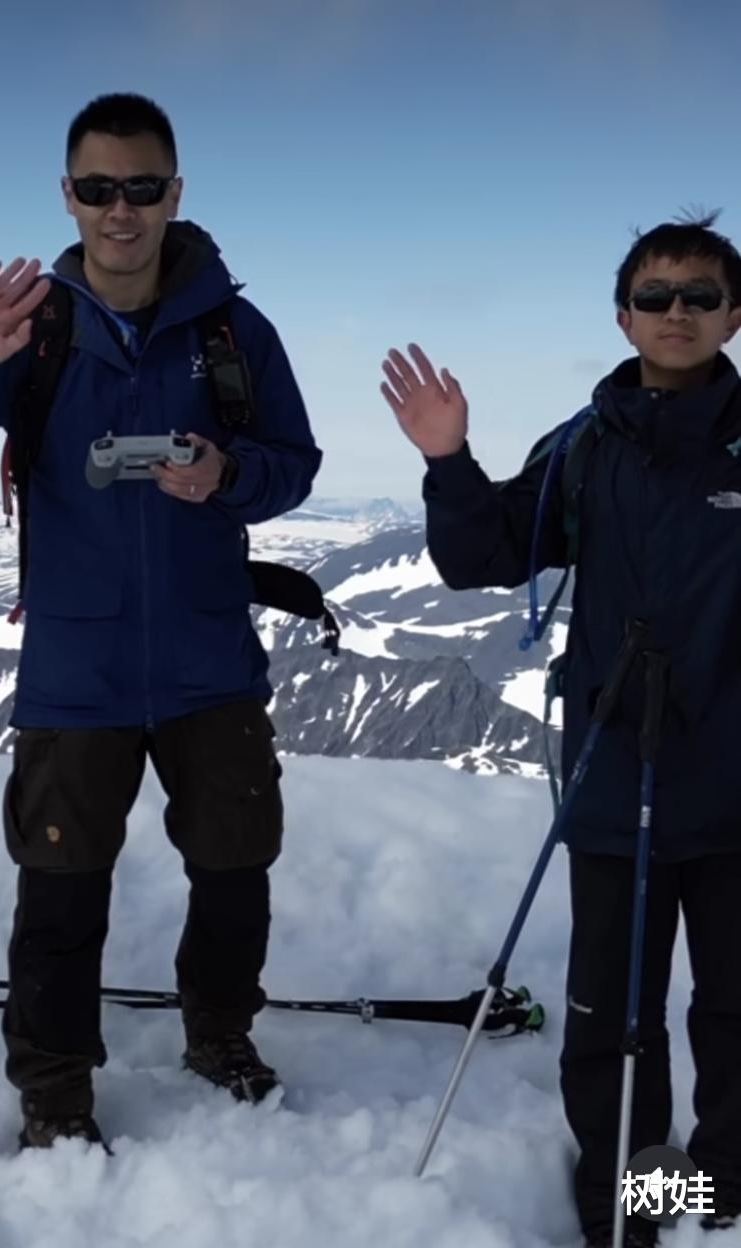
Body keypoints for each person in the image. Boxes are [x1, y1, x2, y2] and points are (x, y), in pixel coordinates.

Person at [0, 92, 321, 1148]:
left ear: (174, 194)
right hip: (75, 667)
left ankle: (219, 1032)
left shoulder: (230, 327)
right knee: (60, 892)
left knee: (234, 872)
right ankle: (53, 1092)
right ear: (69, 196)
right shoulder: (33, 327)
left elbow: (294, 465)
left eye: (140, 188)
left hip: (207, 658)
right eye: (98, 188)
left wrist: (228, 474)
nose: (120, 209)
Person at [381, 214, 741, 1247]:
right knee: (613, 1027)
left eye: (700, 296)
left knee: (731, 1020)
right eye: (657, 295)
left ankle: (714, 1200)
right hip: (611, 777)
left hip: (729, 783)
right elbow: (485, 552)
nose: (677, 313)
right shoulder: (583, 446)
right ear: (622, 315)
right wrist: (448, 458)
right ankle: (630, 1208)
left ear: (732, 315)